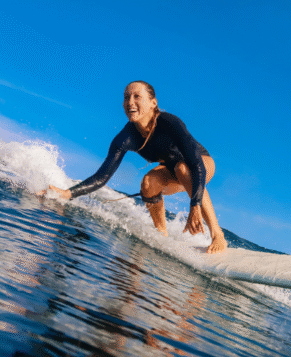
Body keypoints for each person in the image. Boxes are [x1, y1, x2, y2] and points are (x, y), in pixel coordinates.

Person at [41, 81, 227, 254]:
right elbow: (101, 177)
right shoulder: (126, 137)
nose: (130, 102)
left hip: (200, 164)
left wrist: (194, 205)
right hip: (171, 171)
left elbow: (195, 164)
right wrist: (67, 193)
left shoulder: (170, 122)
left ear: (153, 103)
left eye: (137, 96)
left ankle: (217, 234)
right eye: (126, 97)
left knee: (182, 169)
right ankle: (162, 235)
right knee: (147, 183)